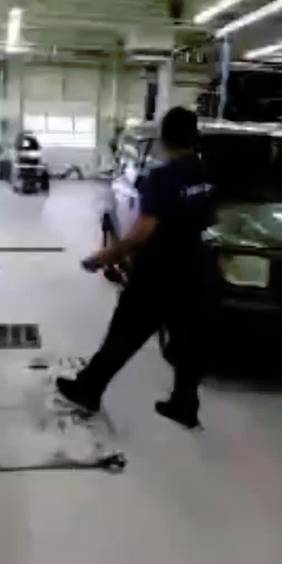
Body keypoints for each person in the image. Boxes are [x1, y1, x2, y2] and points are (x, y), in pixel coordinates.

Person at [57, 107, 216, 429]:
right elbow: (209, 219)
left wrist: (104, 257)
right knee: (188, 343)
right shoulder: (206, 173)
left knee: (124, 335)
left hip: (158, 273)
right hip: (196, 270)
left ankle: (88, 389)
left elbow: (143, 231)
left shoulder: (161, 177)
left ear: (164, 137)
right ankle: (185, 404)